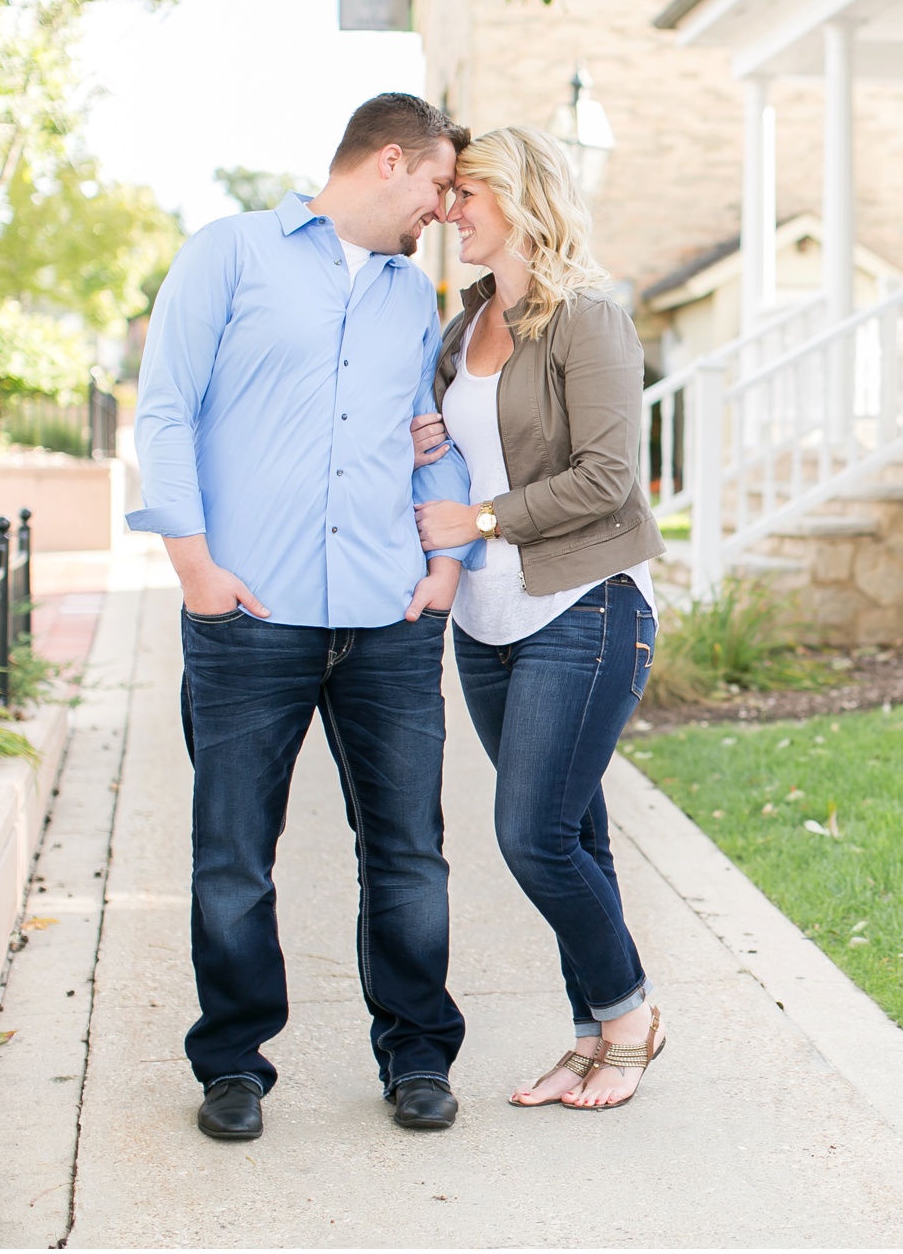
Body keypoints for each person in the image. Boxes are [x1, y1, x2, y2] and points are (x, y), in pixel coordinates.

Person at [128, 93, 480, 1141]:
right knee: (235, 853)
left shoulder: (410, 299)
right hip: (251, 613)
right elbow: (165, 410)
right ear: (386, 162)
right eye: (435, 186)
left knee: (409, 850)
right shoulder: (227, 254)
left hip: (387, 613)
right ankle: (232, 1063)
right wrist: (193, 567)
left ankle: (417, 1055)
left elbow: (428, 434)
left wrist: (446, 566)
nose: (439, 209)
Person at [411, 125, 667, 1111]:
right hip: (486, 618)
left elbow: (607, 478)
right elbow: (460, 458)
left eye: (463, 193)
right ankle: (591, 1035)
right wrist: (429, 443)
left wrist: (479, 515)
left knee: (531, 833)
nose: (447, 210)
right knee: (576, 835)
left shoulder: (584, 318)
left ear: (515, 197)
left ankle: (631, 1011)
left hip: (583, 604)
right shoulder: (459, 326)